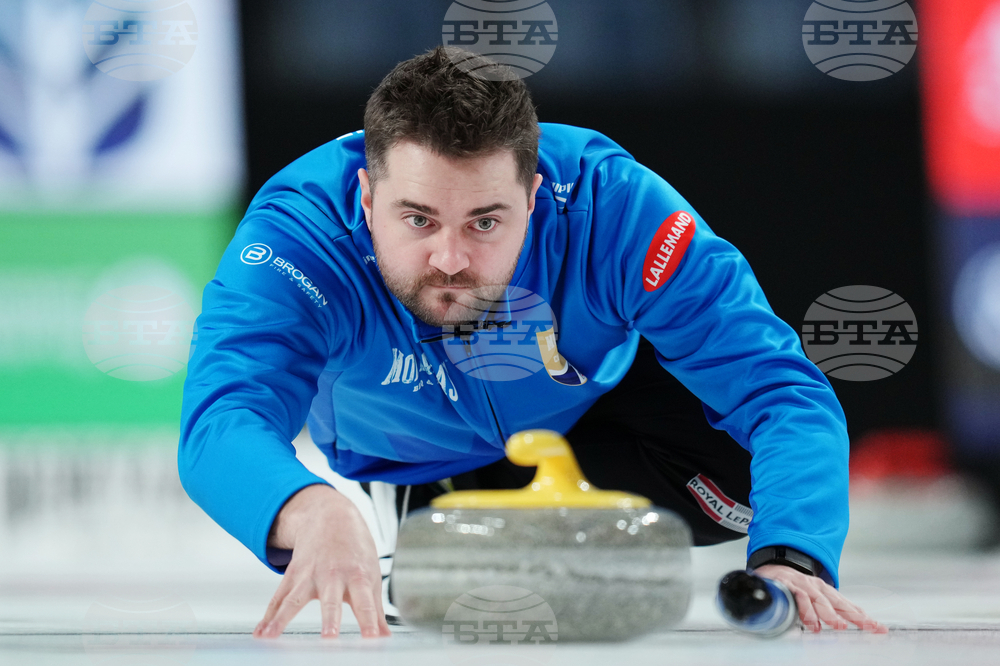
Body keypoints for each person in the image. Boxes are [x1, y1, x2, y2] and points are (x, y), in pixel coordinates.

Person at [179, 46, 887, 640]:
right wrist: (311, 508)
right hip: (417, 454)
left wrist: (794, 554)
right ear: (365, 198)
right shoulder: (296, 240)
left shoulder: (616, 208)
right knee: (456, 598)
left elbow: (780, 392)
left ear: (535, 194)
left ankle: (511, 532)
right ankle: (423, 511)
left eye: (485, 222)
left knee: (738, 480)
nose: (450, 258)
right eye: (418, 219)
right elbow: (221, 422)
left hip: (595, 404)